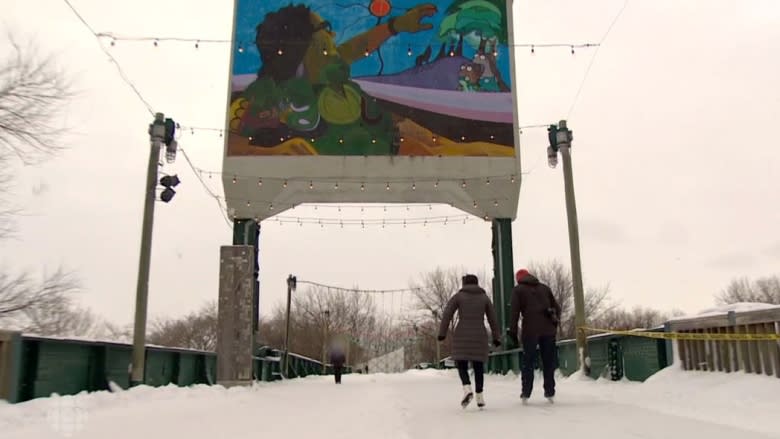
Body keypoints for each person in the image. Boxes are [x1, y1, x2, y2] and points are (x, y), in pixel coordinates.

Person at [438, 274, 501, 409]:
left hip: (462, 334)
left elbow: (447, 314)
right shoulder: (484, 298)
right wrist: (497, 337)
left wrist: (442, 333)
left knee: (461, 364)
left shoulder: (459, 296)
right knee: (478, 366)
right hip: (480, 334)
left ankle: (467, 388)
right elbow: (493, 319)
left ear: (464, 283)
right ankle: (480, 396)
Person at [508, 269, 561, 403]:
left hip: (530, 331)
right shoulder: (544, 288)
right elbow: (557, 308)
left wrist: (513, 333)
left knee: (528, 362)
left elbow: (514, 313)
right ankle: (550, 392)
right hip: (548, 330)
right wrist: (554, 325)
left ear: (518, 279)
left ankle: (526, 393)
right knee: (548, 361)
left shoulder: (518, 290)